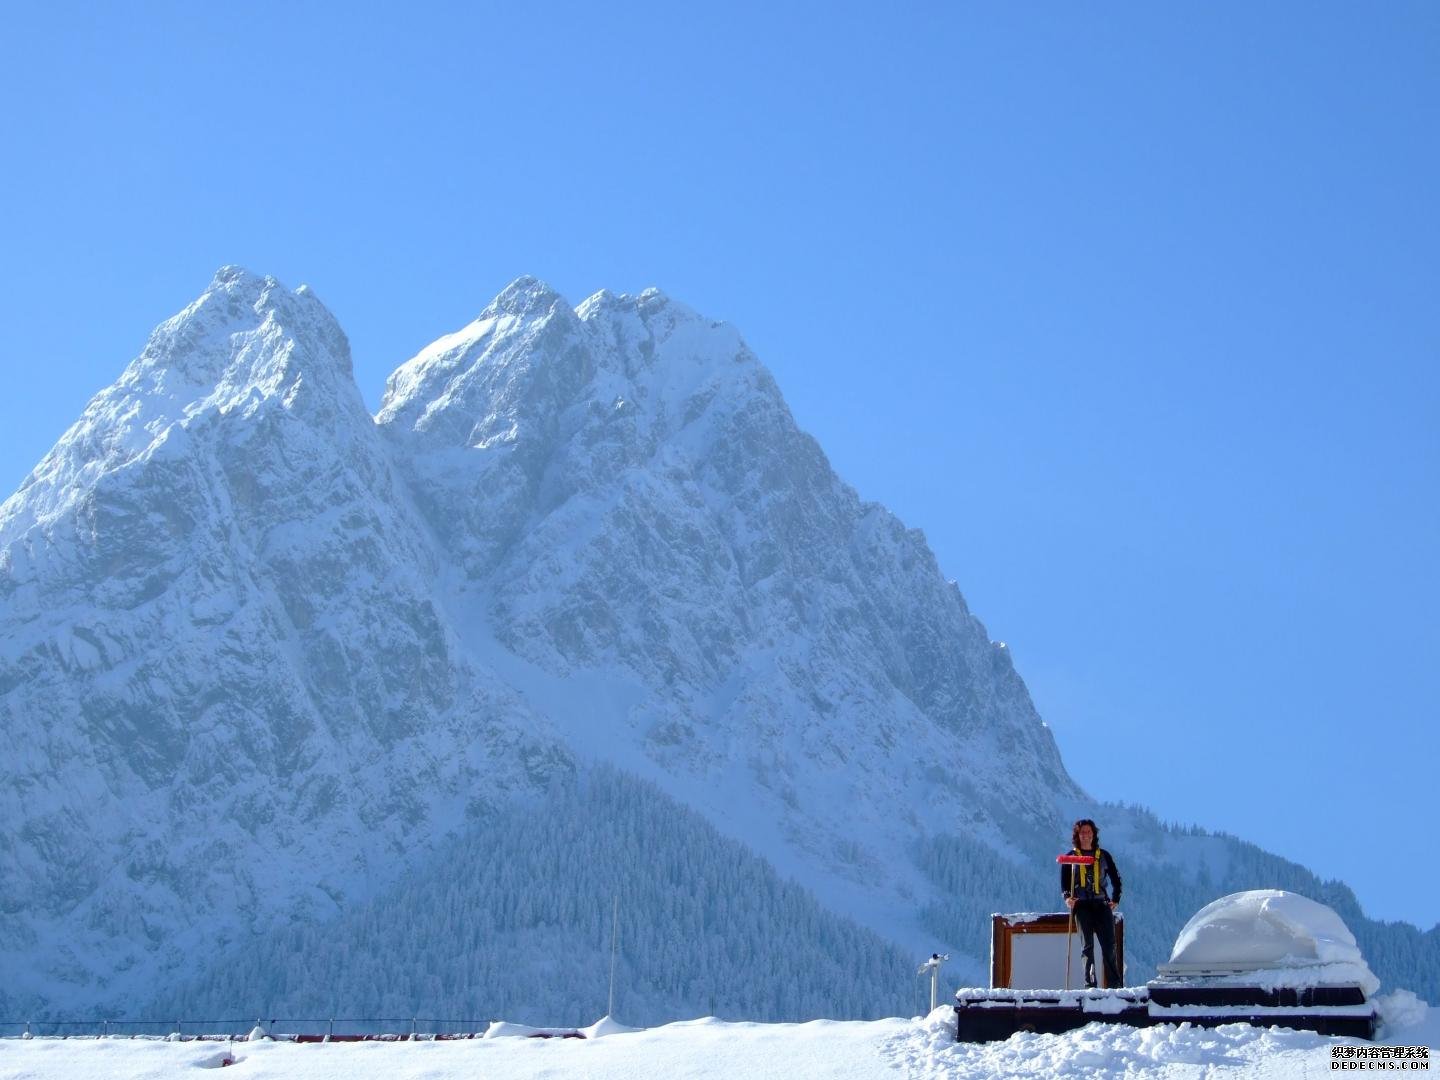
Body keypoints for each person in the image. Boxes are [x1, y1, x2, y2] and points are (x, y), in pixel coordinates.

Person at [1060, 818, 1123, 988]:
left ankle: (1115, 986)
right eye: (1082, 832)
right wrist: (1068, 898)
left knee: (1109, 946)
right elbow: (1065, 883)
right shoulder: (1071, 857)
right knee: (1087, 947)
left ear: (1094, 834)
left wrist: (1115, 899)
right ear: (1077, 835)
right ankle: (1090, 985)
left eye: (1089, 832)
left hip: (1101, 904)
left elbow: (1116, 880)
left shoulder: (1104, 856)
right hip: (1081, 906)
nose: (1086, 835)